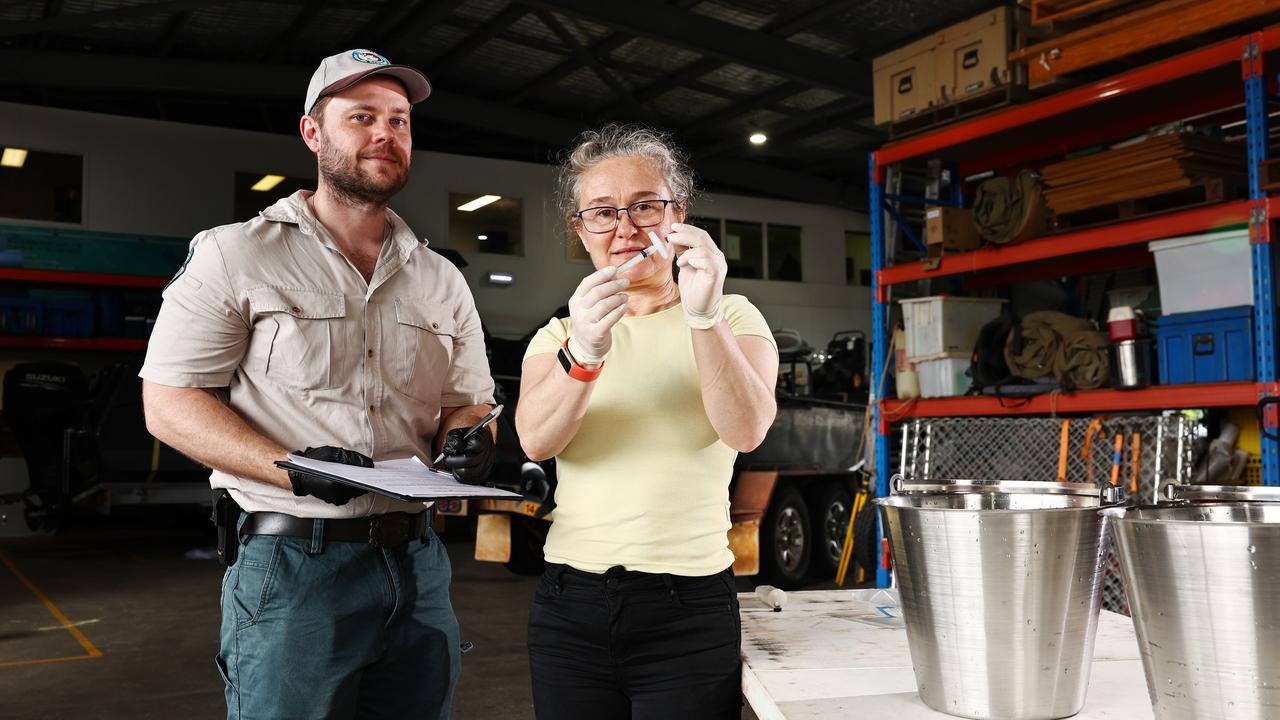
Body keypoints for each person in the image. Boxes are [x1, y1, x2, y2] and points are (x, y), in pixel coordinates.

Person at [139, 49, 496, 719]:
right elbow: (169, 404)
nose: (385, 134)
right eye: (362, 117)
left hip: (418, 565)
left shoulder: (440, 278)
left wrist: (468, 439)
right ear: (313, 134)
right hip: (293, 564)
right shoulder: (235, 253)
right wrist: (293, 468)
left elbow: (466, 400)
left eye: (399, 120)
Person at [515, 124, 779, 719]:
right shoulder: (560, 333)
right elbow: (536, 439)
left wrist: (703, 315)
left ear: (678, 215)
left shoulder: (732, 315)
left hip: (687, 604)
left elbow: (746, 430)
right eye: (603, 213)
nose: (625, 228)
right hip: (570, 605)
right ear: (580, 230)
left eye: (645, 207)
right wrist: (584, 352)